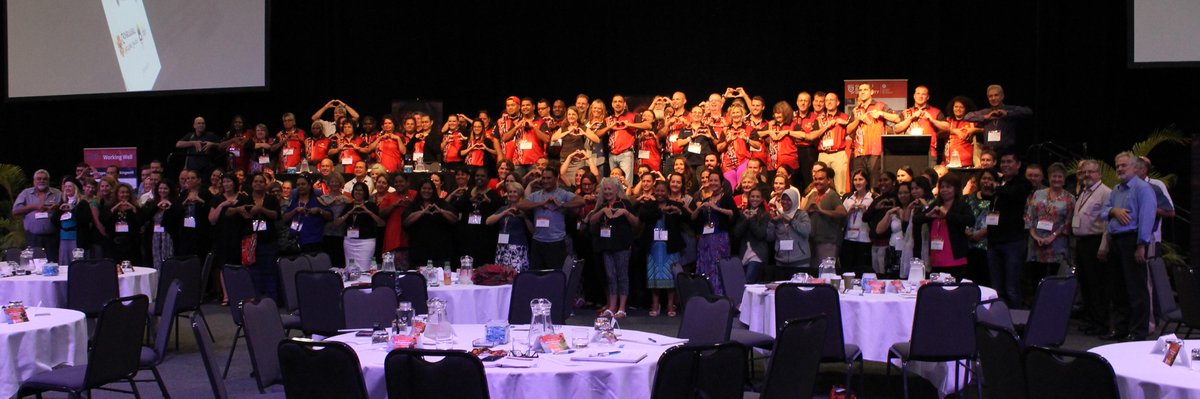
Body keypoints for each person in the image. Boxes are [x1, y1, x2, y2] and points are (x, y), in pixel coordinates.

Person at [1100, 153, 1157, 341]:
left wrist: (1142, 245)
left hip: (1132, 240)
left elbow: (1147, 219)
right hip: (1116, 241)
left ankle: (1138, 332)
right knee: (1117, 288)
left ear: (1135, 168)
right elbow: (1102, 212)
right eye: (1117, 166)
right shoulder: (1116, 190)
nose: (1120, 169)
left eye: (1124, 165)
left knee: (1136, 289)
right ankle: (1120, 328)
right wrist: (1113, 210)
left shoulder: (1143, 189)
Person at [587, 177, 638, 318]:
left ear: (617, 190)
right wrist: (603, 211)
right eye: (605, 189)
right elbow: (591, 221)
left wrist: (626, 213)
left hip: (622, 245)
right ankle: (611, 306)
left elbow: (636, 223)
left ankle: (622, 308)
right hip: (606, 246)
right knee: (610, 276)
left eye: (610, 189)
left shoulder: (625, 203)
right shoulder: (602, 204)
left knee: (622, 276)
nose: (607, 191)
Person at [989, 151, 1034, 307]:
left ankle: (1016, 324)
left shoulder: (1023, 183)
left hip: (1013, 241)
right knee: (996, 287)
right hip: (994, 240)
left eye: (1009, 162)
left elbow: (1014, 195)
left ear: (1018, 165)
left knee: (1012, 287)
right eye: (1003, 162)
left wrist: (997, 188)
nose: (1005, 165)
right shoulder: (1000, 181)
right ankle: (998, 321)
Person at [518, 168, 585, 271]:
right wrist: (541, 203)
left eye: (549, 178)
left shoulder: (562, 193)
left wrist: (562, 205)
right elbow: (521, 204)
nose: (545, 181)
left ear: (556, 178)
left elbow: (581, 201)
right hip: (538, 241)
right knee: (537, 274)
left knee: (555, 275)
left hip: (556, 241)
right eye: (543, 178)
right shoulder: (536, 195)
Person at [1024, 163, 1076, 287]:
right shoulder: (1038, 194)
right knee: (1036, 278)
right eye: (1054, 176)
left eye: (1060, 177)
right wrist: (1036, 236)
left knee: (1053, 280)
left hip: (1056, 244)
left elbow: (1067, 222)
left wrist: (1051, 237)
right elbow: (1029, 216)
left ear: (1064, 179)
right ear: (1048, 177)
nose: (1056, 179)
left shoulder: (1070, 198)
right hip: (1036, 243)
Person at [913, 174, 974, 279]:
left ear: (956, 189)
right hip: (936, 255)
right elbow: (916, 219)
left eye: (948, 187)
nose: (944, 190)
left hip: (955, 255)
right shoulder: (936, 204)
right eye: (942, 187)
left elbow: (970, 220)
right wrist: (928, 215)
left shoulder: (962, 205)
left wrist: (947, 215)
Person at [639, 180, 685, 317]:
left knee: (670, 276)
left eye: (662, 191)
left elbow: (687, 220)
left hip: (670, 247)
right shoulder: (649, 205)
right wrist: (660, 211)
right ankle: (655, 304)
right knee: (653, 276)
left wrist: (679, 212)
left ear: (667, 192)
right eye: (657, 190)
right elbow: (643, 216)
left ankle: (670, 304)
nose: (660, 193)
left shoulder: (675, 205)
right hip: (653, 246)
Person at [235, 173, 282, 300]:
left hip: (268, 240)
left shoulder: (271, 199)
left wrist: (261, 209)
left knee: (270, 271)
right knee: (253, 271)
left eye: (261, 181)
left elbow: (276, 215)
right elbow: (231, 211)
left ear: (265, 184)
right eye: (255, 181)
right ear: (252, 184)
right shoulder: (246, 199)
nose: (258, 183)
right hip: (250, 241)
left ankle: (271, 300)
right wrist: (241, 210)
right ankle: (256, 299)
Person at [690, 170, 735, 295]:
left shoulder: (726, 198)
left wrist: (717, 208)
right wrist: (699, 208)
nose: (713, 183)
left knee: (718, 268)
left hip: (720, 238)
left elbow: (733, 213)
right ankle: (705, 295)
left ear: (721, 183)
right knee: (705, 267)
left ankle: (719, 296)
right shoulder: (706, 199)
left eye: (716, 180)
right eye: (711, 180)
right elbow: (693, 218)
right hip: (705, 239)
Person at [403, 178, 459, 267]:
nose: (427, 191)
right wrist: (422, 212)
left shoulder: (441, 203)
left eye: (429, 189)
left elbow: (455, 219)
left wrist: (441, 211)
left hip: (440, 252)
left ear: (433, 190)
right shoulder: (414, 205)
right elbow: (406, 222)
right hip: (419, 251)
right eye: (424, 188)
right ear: (419, 190)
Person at [452, 168, 503, 265]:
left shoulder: (492, 194)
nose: (479, 178)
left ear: (488, 179)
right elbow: (456, 207)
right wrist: (470, 200)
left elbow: (500, 208)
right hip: (467, 237)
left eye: (483, 176)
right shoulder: (469, 192)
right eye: (477, 175)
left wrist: (489, 201)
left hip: (486, 238)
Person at [845, 84, 896, 181]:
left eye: (865, 90)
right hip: (859, 152)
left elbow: (897, 119)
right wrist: (858, 119)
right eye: (860, 90)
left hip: (875, 151)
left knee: (874, 182)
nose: (862, 92)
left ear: (871, 92)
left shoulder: (880, 106)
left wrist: (881, 113)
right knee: (859, 182)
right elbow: (848, 130)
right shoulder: (856, 110)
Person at [964, 84, 1033, 154]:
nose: (993, 98)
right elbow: (967, 117)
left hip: (1006, 151)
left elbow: (1028, 112)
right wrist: (985, 117)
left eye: (996, 95)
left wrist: (1007, 114)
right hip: (989, 151)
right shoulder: (986, 112)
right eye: (990, 96)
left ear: (1002, 96)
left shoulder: (1009, 109)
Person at [13, 169, 63, 261]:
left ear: (48, 180)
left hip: (53, 237)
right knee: (35, 265)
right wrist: (34, 206)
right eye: (39, 179)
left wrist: (58, 208)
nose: (42, 181)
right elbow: (15, 211)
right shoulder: (26, 193)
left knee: (53, 263)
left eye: (45, 179)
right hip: (33, 237)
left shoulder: (58, 193)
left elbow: (67, 209)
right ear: (34, 181)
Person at [803, 167, 847, 269]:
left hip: (828, 241)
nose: (818, 181)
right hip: (812, 242)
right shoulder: (812, 195)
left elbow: (843, 213)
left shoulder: (832, 195)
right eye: (816, 179)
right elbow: (802, 214)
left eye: (821, 179)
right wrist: (807, 210)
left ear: (828, 180)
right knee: (814, 273)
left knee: (826, 272)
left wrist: (821, 211)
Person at [335, 182, 384, 269]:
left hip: (366, 242)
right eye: (356, 190)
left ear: (365, 192)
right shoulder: (349, 206)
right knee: (350, 267)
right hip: (349, 242)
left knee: (364, 267)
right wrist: (349, 212)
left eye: (360, 190)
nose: (358, 192)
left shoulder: (371, 205)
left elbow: (381, 223)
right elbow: (337, 223)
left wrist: (368, 211)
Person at [893, 86, 946, 163]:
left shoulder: (936, 111)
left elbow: (947, 127)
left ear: (928, 97)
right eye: (918, 93)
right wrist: (911, 118)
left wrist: (932, 120)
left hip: (929, 152)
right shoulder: (906, 112)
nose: (920, 96)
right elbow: (897, 129)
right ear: (914, 96)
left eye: (923, 94)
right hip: (909, 151)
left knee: (928, 175)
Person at [488, 182, 533, 271]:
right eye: (510, 192)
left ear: (520, 194)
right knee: (501, 275)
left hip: (517, 247)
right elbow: (488, 221)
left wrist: (525, 217)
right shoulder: (503, 208)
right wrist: (504, 213)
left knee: (515, 275)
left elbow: (533, 231)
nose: (512, 194)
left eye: (514, 192)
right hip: (502, 247)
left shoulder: (525, 209)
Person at [965, 169, 999, 285]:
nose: (986, 181)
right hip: (969, 244)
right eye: (984, 178)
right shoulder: (969, 198)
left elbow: (997, 221)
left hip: (987, 245)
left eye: (990, 179)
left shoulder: (997, 199)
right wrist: (967, 231)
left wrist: (981, 233)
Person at [282, 175, 332, 254]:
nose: (300, 186)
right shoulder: (293, 201)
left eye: (303, 184)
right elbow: (284, 218)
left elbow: (330, 216)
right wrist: (295, 211)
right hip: (294, 243)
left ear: (309, 186)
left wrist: (319, 210)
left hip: (314, 242)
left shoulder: (318, 200)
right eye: (298, 185)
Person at [768, 187, 812, 275]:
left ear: (795, 200)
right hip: (781, 262)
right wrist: (772, 222)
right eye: (783, 199)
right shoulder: (777, 215)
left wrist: (790, 221)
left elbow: (806, 231)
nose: (785, 202)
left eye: (789, 200)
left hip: (800, 262)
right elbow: (769, 237)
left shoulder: (802, 215)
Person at [813, 93, 851, 193]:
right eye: (827, 100)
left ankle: (840, 207)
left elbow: (852, 132)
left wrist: (846, 123)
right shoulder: (819, 118)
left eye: (832, 100)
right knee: (821, 184)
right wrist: (827, 126)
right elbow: (814, 135)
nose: (829, 102)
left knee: (840, 186)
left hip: (839, 154)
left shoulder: (845, 117)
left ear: (837, 102)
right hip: (823, 154)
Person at [733, 185, 771, 283]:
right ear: (749, 198)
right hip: (744, 253)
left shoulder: (765, 215)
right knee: (743, 283)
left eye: (758, 197)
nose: (755, 199)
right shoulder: (743, 214)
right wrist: (746, 219)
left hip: (757, 254)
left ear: (762, 199)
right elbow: (737, 233)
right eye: (752, 196)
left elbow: (761, 234)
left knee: (748, 281)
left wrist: (752, 219)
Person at [140, 179, 180, 270]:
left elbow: (177, 219)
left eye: (165, 188)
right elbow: (144, 216)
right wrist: (156, 207)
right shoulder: (152, 203)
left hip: (169, 236)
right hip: (154, 236)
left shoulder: (175, 203)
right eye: (160, 188)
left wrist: (170, 207)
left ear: (170, 190)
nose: (162, 190)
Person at [841, 169, 875, 274]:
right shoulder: (847, 197)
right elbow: (841, 220)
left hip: (864, 239)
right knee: (847, 269)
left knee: (862, 270)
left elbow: (874, 220)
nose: (857, 182)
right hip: (848, 238)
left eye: (861, 179)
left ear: (867, 181)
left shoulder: (872, 198)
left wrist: (866, 212)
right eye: (855, 179)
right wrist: (849, 212)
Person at [930, 96, 981, 167]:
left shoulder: (972, 122)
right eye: (956, 107)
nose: (958, 109)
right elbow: (939, 134)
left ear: (966, 109)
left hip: (967, 163)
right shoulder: (948, 121)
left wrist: (974, 130)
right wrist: (954, 131)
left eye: (961, 107)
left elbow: (984, 130)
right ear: (952, 108)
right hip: (949, 162)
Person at [379, 174, 415, 270]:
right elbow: (381, 213)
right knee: (391, 269)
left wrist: (412, 203)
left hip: (411, 237)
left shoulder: (415, 194)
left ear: (408, 183)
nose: (398, 184)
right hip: (393, 237)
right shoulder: (389, 196)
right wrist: (394, 205)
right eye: (396, 182)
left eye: (401, 181)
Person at [53, 179, 93, 263]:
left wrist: (73, 210)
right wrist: (59, 211)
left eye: (70, 186)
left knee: (78, 263)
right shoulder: (62, 203)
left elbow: (86, 220)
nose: (67, 188)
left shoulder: (82, 203)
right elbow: (54, 221)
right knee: (64, 263)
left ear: (75, 189)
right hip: (63, 239)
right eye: (66, 186)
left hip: (77, 239)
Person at [100, 183, 141, 264]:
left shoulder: (134, 208)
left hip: (131, 245)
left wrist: (134, 210)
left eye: (127, 192)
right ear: (117, 194)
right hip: (113, 244)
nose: (125, 194)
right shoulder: (109, 207)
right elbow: (103, 221)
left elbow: (139, 224)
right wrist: (113, 210)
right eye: (122, 192)